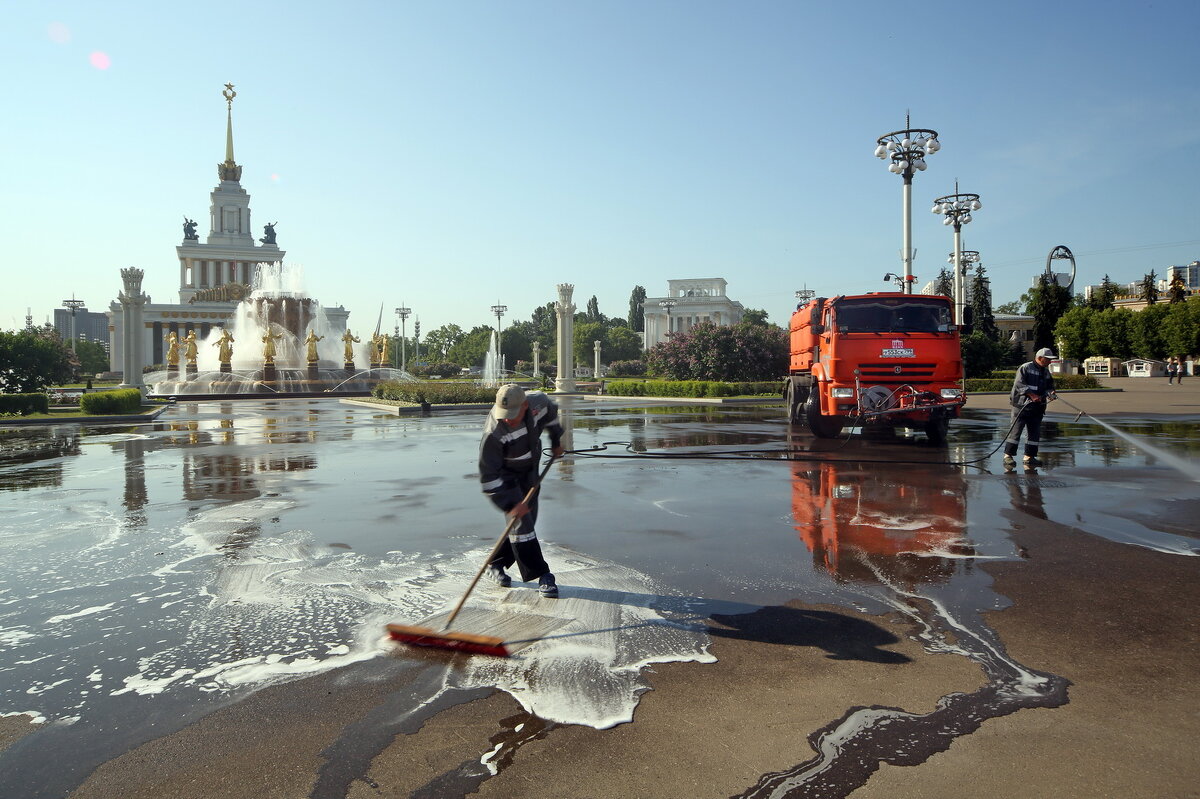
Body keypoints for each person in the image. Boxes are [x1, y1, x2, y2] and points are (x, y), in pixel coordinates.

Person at [479, 383, 565, 597]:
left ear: (526, 406)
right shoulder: (493, 433)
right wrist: (509, 503)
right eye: (504, 414)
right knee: (521, 523)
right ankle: (542, 574)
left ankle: (495, 563)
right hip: (506, 473)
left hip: (530, 467)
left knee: (527, 521)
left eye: (513, 414)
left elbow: (552, 417)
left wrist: (555, 441)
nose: (507, 419)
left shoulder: (539, 403)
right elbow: (489, 477)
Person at [1003, 347, 1058, 468]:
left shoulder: (1045, 371)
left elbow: (1049, 385)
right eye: (1047, 359)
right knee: (1016, 431)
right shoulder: (1025, 368)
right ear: (1039, 358)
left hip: (1037, 407)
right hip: (1021, 406)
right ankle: (1008, 456)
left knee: (1034, 433)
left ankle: (1029, 457)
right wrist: (1032, 395)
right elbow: (1019, 384)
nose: (1050, 362)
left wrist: (1051, 393)